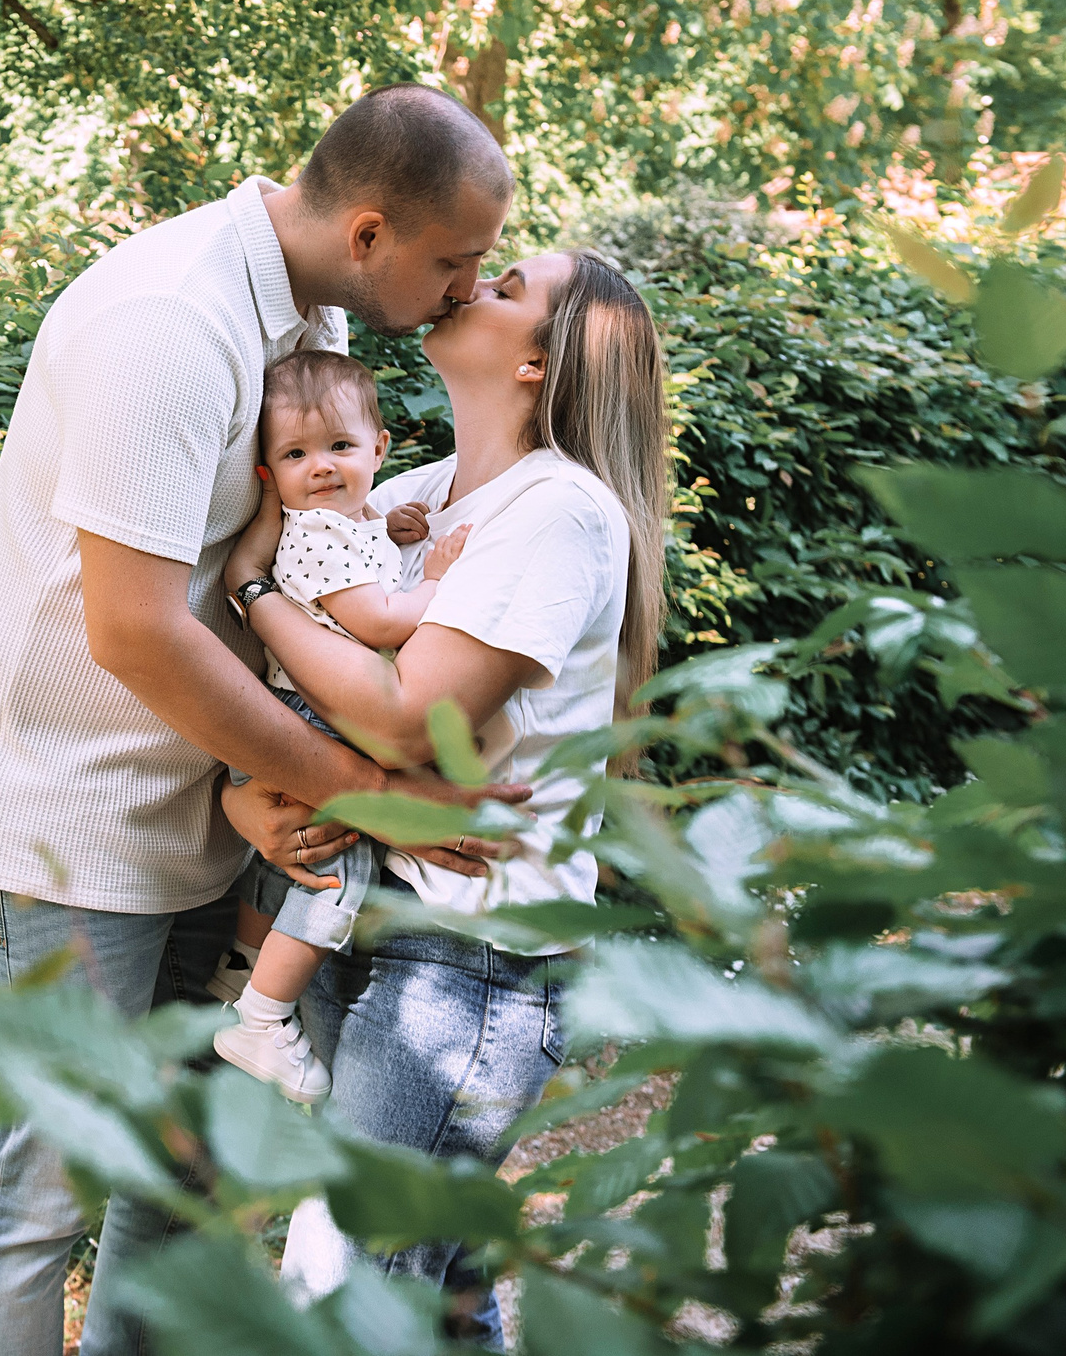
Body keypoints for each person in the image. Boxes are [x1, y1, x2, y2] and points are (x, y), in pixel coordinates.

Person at [0, 84, 529, 1356]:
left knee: (184, 1171)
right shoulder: (169, 324)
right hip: (57, 811)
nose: (466, 287)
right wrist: (356, 783)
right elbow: (132, 628)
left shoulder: (309, 309)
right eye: (452, 259)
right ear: (367, 230)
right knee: (34, 1188)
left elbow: (282, 555)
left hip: (204, 796)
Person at [220, 248, 671, 1349]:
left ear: (536, 362)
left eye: (509, 284)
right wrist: (248, 798)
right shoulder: (410, 494)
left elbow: (409, 719)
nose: (473, 282)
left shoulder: (560, 507)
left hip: (468, 959)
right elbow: (322, 704)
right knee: (439, 1290)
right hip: (359, 913)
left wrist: (253, 591)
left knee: (338, 1290)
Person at [209, 347, 470, 1103]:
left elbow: (355, 557)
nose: (320, 468)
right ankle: (262, 1017)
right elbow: (377, 619)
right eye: (295, 454)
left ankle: (244, 964)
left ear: (379, 449)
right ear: (269, 473)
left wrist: (388, 524)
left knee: (289, 858)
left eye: (340, 448)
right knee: (337, 868)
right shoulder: (315, 534)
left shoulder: (347, 523)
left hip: (292, 712)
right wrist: (442, 580)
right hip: (306, 717)